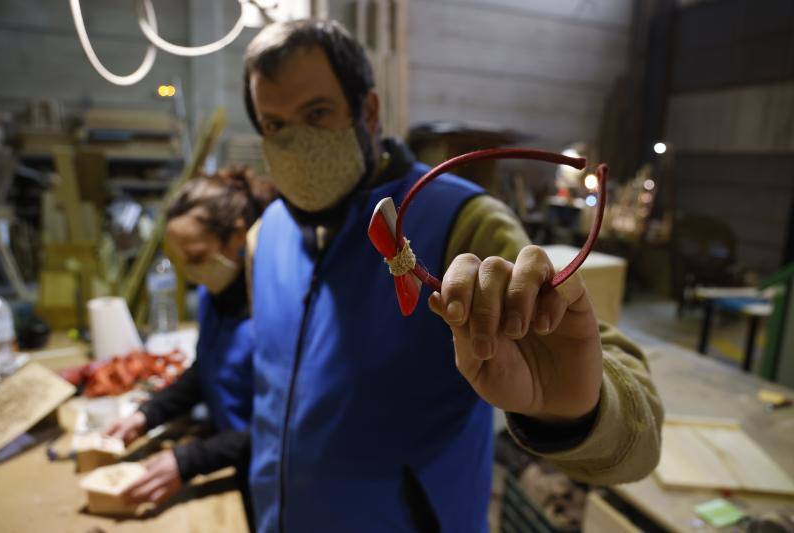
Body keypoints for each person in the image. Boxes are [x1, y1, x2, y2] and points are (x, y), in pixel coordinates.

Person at [243, 19, 664, 532]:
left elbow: (639, 439)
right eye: (274, 125)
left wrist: (578, 411)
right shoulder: (265, 236)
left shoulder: (462, 221)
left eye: (317, 113)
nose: (295, 142)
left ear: (368, 111)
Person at [106, 168, 274, 523]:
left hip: (269, 477)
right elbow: (207, 370)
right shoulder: (215, 295)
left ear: (237, 235)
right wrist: (148, 414)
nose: (190, 271)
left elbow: (282, 426)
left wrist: (190, 460)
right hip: (229, 459)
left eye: (197, 256)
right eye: (181, 259)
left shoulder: (272, 307)